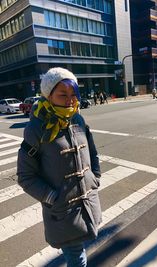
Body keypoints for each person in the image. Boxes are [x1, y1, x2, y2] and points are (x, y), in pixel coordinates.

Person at [17, 67, 102, 267]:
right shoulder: (36, 128)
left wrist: (95, 177)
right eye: (62, 94)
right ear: (48, 95)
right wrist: (52, 198)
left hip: (87, 204)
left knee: (80, 252)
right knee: (77, 259)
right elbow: (25, 176)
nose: (70, 100)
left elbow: (93, 152)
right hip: (61, 211)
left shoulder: (77, 119)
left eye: (73, 94)